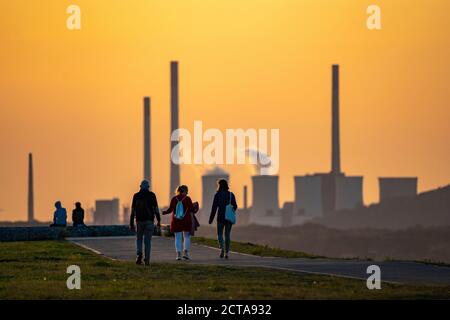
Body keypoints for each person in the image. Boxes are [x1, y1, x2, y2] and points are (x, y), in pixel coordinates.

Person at [162, 185, 199, 260]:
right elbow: (191, 209)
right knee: (187, 237)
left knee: (177, 237)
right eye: (187, 191)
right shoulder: (187, 199)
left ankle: (178, 254)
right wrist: (195, 207)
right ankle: (185, 253)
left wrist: (164, 212)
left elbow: (170, 210)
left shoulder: (174, 199)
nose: (187, 193)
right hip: (186, 221)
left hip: (176, 221)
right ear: (184, 191)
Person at [130, 180, 161, 266]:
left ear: (140, 186)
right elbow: (156, 209)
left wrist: (131, 223)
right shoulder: (152, 195)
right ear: (148, 187)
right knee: (147, 241)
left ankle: (139, 254)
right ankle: (147, 260)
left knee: (139, 239)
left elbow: (132, 211)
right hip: (149, 221)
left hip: (139, 221)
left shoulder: (136, 196)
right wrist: (159, 220)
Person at [209, 179, 237, 259]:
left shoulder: (217, 195)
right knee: (227, 235)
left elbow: (214, 208)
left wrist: (211, 219)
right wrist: (230, 210)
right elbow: (235, 206)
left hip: (220, 217)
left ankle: (221, 248)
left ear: (220, 185)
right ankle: (227, 253)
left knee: (219, 234)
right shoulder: (231, 195)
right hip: (228, 218)